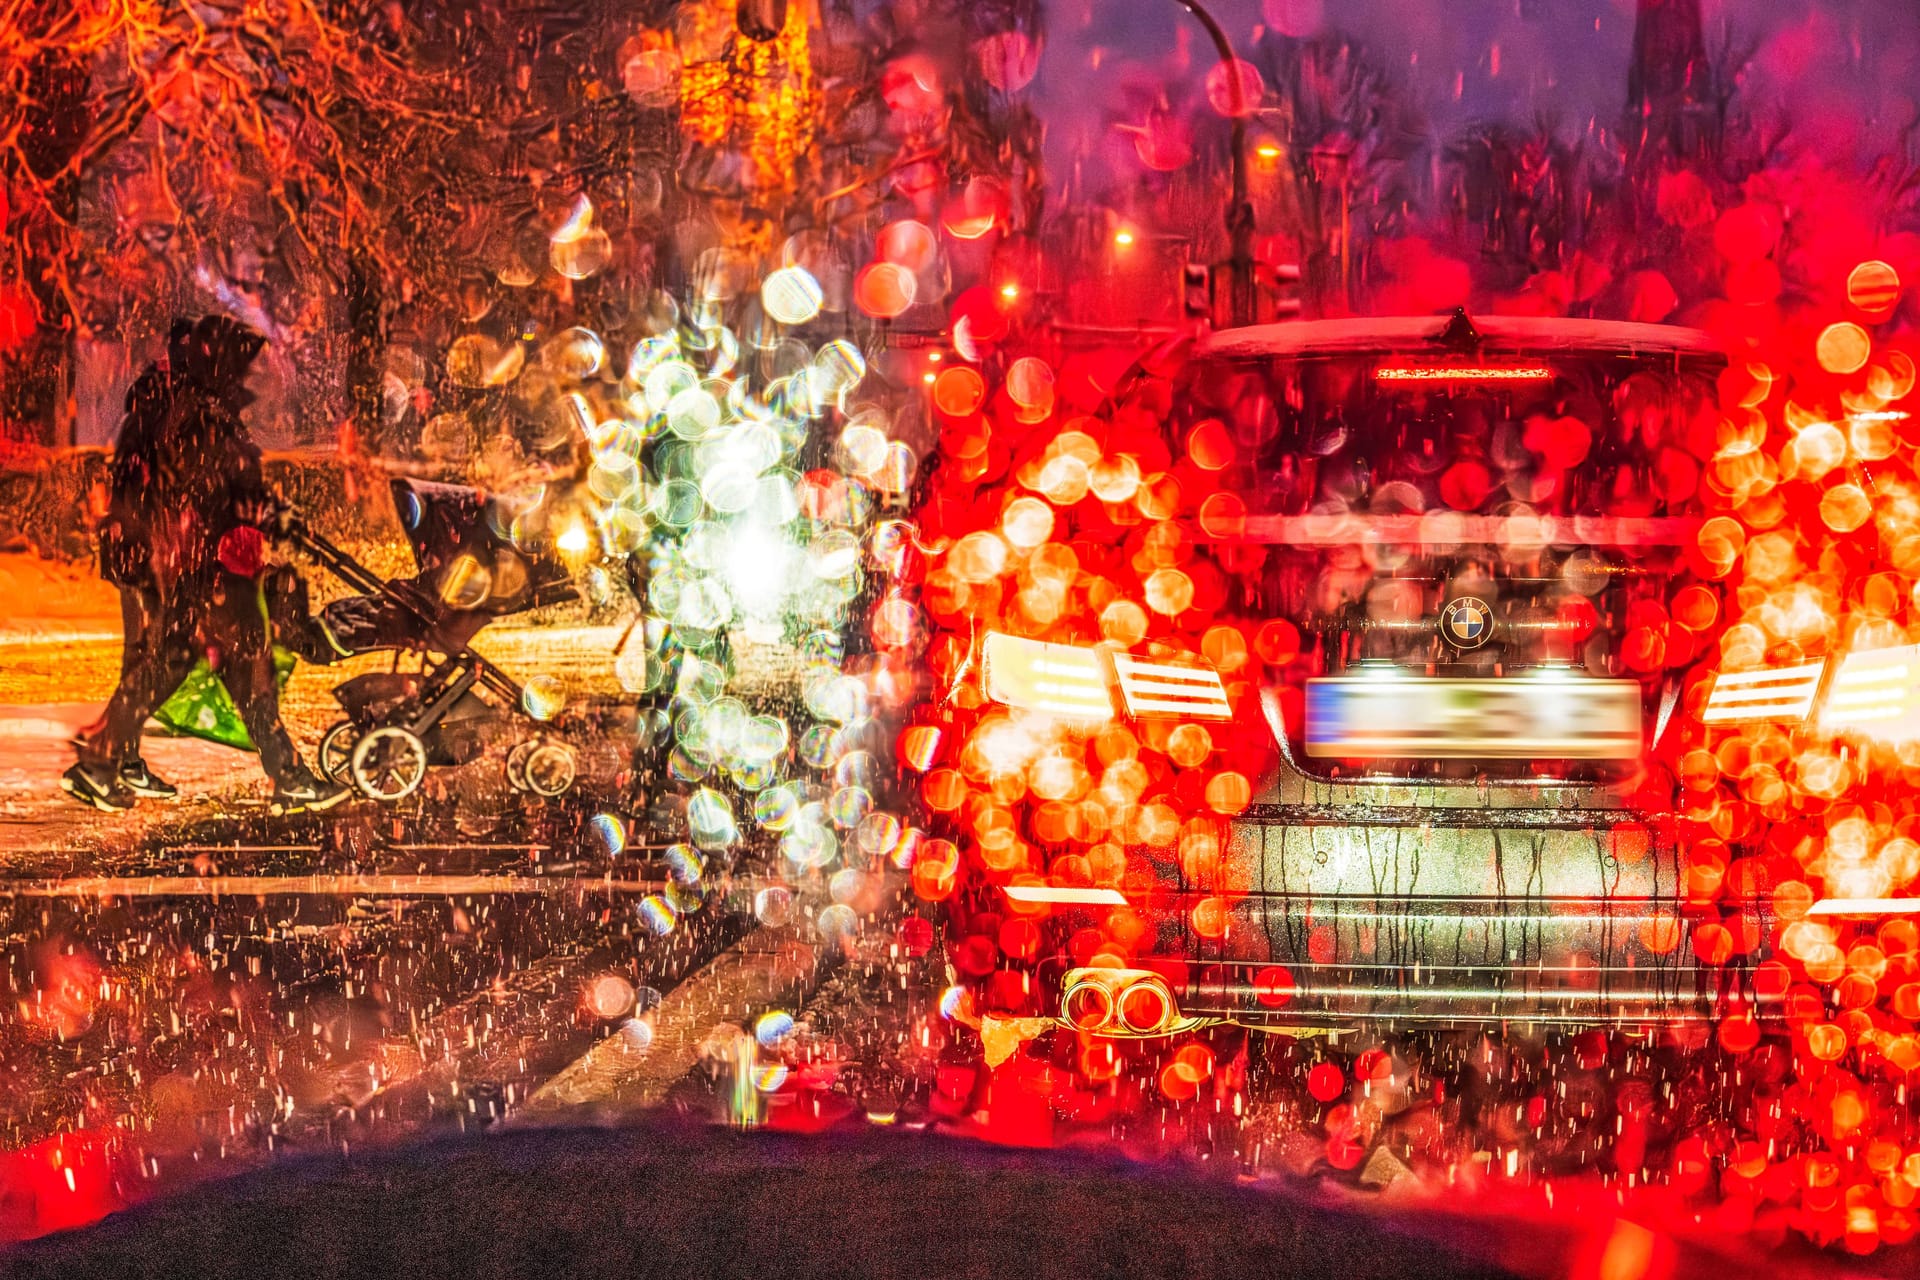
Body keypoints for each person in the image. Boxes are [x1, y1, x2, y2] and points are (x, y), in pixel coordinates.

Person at [65, 315, 350, 815]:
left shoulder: (187, 403)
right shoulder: (197, 412)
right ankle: (285, 775)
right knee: (228, 664)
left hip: (189, 562)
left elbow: (196, 481)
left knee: (181, 662)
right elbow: (205, 486)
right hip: (204, 565)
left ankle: (107, 760)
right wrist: (260, 509)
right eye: (238, 364)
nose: (244, 375)